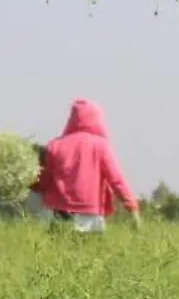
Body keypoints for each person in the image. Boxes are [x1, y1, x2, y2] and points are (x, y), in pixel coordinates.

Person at [33, 98, 140, 233]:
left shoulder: (54, 145)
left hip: (57, 212)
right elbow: (116, 180)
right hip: (90, 216)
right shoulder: (101, 146)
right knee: (92, 253)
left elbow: (44, 181)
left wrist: (28, 183)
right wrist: (132, 208)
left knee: (58, 251)